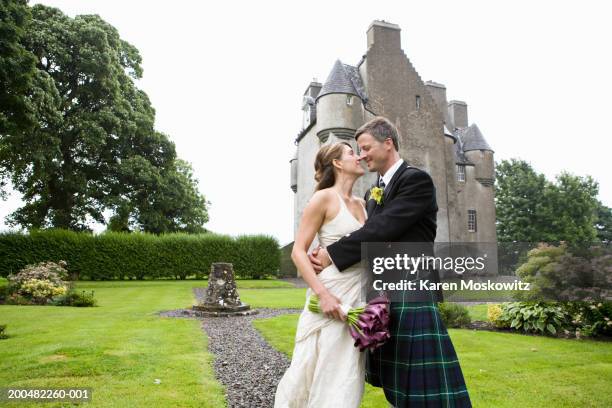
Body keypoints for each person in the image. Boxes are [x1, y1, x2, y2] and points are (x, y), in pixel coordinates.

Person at [309, 116, 472, 408]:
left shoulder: (415, 180)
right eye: (357, 149)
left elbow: (382, 229)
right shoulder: (374, 195)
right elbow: (365, 236)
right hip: (384, 294)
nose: (361, 155)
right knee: (397, 380)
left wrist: (332, 253)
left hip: (412, 291)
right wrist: (325, 249)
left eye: (366, 147)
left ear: (388, 144)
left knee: (424, 384)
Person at [274, 141, 368, 408]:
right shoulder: (323, 198)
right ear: (337, 163)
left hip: (358, 297)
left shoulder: (363, 205)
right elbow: (298, 252)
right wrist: (323, 295)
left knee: (346, 377)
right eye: (352, 153)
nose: (358, 156)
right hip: (330, 296)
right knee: (315, 371)